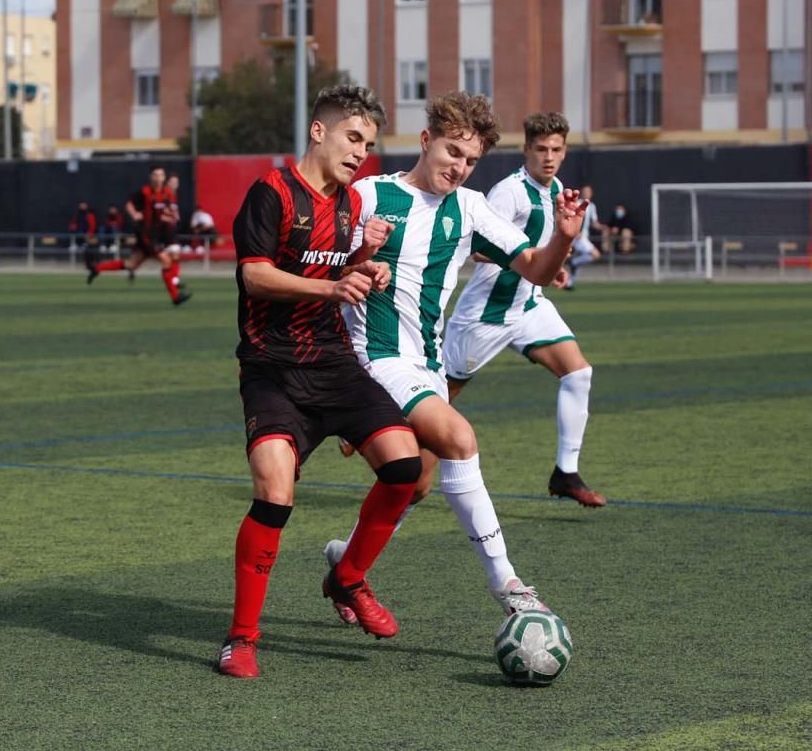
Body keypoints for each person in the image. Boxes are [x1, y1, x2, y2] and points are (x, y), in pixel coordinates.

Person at [325, 91, 588, 626]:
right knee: (461, 438)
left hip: (427, 364)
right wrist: (361, 258)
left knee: (417, 483)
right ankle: (508, 583)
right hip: (374, 357)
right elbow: (325, 270)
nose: (460, 168)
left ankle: (344, 564)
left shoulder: (469, 208)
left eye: (470, 161)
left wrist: (562, 238)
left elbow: (535, 269)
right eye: (452, 153)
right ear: (426, 141)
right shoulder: (370, 195)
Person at [218, 85, 422, 679]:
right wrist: (336, 286)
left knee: (406, 466)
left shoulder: (351, 206)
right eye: (352, 137)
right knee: (275, 489)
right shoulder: (272, 192)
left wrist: (365, 266)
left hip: (332, 364)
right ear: (318, 131)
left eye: (369, 144)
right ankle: (241, 639)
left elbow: (334, 269)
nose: (361, 152)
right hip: (271, 368)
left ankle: (348, 577)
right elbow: (256, 277)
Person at [442, 111, 605, 508]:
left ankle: (565, 473)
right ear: (526, 150)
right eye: (540, 149)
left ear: (564, 152)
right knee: (439, 400)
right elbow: (477, 247)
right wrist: (526, 262)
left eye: (556, 150)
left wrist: (554, 269)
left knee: (578, 373)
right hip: (486, 313)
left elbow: (542, 248)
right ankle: (365, 427)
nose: (548, 157)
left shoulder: (557, 190)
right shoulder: (509, 192)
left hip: (528, 305)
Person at [86, 166, 191, 305]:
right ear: (151, 177)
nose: (158, 178)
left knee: (131, 264)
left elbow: (165, 211)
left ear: (164, 178)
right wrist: (134, 214)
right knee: (167, 261)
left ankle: (96, 268)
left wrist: (170, 216)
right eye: (155, 175)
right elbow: (129, 204)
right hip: (146, 234)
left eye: (160, 175)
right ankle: (175, 296)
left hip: (155, 234)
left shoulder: (168, 193)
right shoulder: (145, 192)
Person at [566, 184, 602, 289]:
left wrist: (605, 228)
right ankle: (574, 263)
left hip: (584, 237)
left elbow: (594, 223)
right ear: (582, 192)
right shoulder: (576, 203)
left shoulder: (592, 206)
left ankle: (569, 283)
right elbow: (570, 218)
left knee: (576, 261)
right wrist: (576, 230)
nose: (587, 193)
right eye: (585, 191)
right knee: (595, 255)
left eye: (589, 192)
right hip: (576, 237)